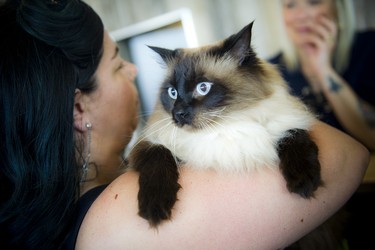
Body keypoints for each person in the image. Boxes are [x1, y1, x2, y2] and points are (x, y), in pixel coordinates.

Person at [0, 0, 369, 249]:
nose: (132, 68)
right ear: (79, 108)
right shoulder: (115, 217)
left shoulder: (59, 210)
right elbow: (350, 154)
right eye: (117, 64)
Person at [269, 0, 375, 152]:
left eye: (314, 2)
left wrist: (323, 69)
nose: (300, 16)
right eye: (290, 5)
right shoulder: (272, 70)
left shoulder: (369, 48)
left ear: (338, 7)